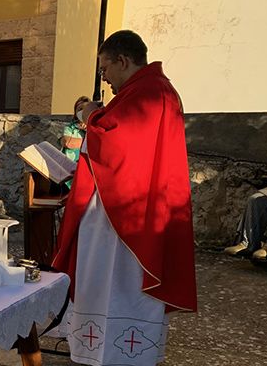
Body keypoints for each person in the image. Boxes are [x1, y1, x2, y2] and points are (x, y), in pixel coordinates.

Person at [52, 30, 197, 365]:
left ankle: (117, 355)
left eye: (106, 70)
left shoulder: (150, 92)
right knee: (110, 283)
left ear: (123, 60)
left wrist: (89, 115)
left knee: (117, 282)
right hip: (124, 213)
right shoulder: (151, 90)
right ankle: (107, 351)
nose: (105, 79)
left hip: (124, 221)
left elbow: (116, 142)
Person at [60, 96, 90, 189]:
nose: (82, 112)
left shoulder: (93, 128)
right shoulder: (70, 128)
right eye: (79, 109)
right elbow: (68, 143)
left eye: (85, 109)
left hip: (85, 170)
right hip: (69, 168)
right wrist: (87, 143)